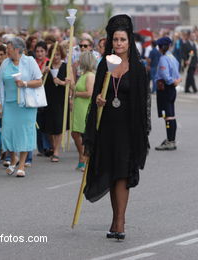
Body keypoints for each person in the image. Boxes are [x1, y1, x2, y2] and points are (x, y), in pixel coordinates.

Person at [83, 15, 150, 240]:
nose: (119, 43)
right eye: (115, 39)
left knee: (123, 173)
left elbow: (143, 104)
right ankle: (115, 219)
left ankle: (120, 222)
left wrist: (140, 132)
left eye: (122, 39)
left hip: (127, 129)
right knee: (112, 174)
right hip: (107, 128)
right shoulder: (105, 63)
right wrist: (99, 100)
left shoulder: (138, 69)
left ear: (129, 40)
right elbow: (96, 97)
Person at [0, 37, 43, 177]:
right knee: (8, 133)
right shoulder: (5, 63)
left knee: (24, 133)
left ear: (17, 49)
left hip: (26, 104)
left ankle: (21, 164)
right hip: (9, 103)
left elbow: (39, 81)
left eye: (8, 48)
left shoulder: (29, 61)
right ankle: (13, 158)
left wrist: (25, 84)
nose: (7, 51)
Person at [42, 44, 71, 162]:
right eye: (54, 55)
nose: (56, 57)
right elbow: (40, 80)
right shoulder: (48, 65)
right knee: (49, 126)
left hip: (60, 99)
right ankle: (54, 147)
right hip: (49, 98)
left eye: (58, 55)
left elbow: (71, 84)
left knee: (59, 125)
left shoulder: (66, 66)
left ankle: (57, 151)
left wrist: (62, 82)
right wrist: (44, 72)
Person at [154, 37, 182, 151]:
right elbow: (177, 73)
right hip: (171, 90)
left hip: (165, 88)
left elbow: (165, 76)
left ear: (161, 47)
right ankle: (171, 139)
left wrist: (172, 81)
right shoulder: (173, 57)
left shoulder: (163, 59)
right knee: (171, 114)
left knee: (167, 116)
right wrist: (176, 80)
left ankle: (170, 141)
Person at [70, 51, 96, 170]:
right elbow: (76, 88)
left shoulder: (90, 75)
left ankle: (86, 158)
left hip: (85, 107)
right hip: (79, 106)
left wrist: (76, 93)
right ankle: (82, 156)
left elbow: (89, 93)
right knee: (75, 133)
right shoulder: (83, 75)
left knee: (82, 133)